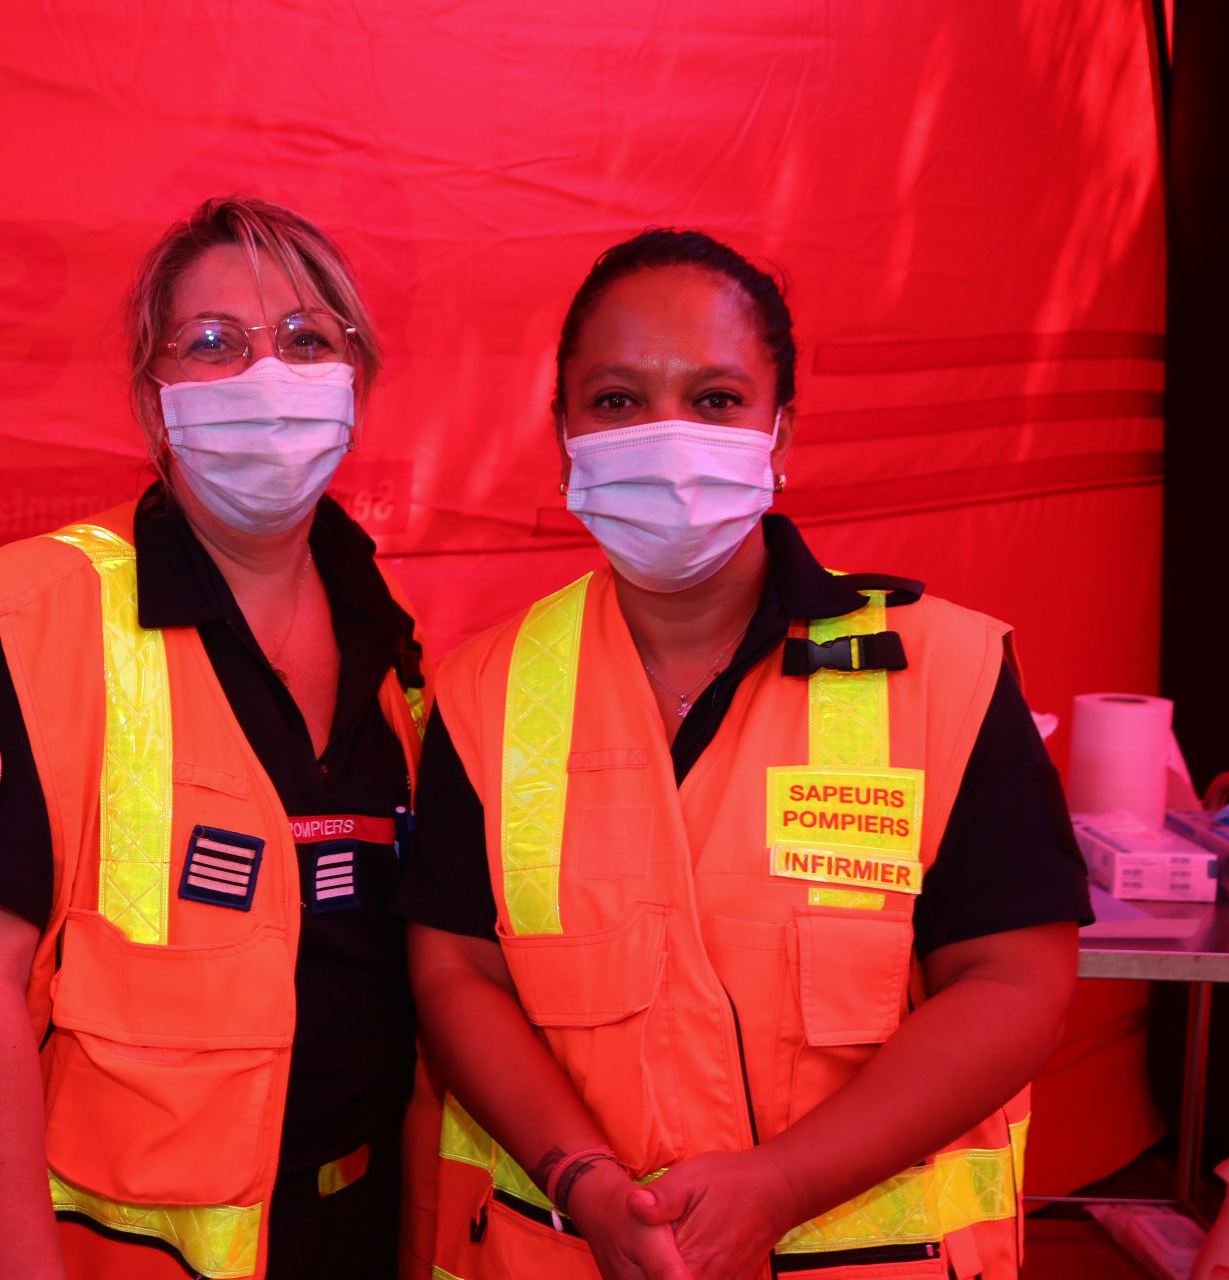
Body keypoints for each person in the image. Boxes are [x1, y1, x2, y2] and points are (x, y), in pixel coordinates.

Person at [394, 229, 1093, 1280]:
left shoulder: (942, 666)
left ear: (782, 429)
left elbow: (1015, 979)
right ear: (565, 431)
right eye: (619, 400)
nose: (667, 439)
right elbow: (455, 970)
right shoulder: (482, 688)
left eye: (715, 399)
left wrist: (782, 1185)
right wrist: (582, 1177)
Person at [0, 197, 432, 1280]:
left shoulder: (393, 647)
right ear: (155, 406)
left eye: (306, 340)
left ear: (357, 382)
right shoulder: (30, 620)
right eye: (213, 344)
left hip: (347, 1225)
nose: (267, 373)